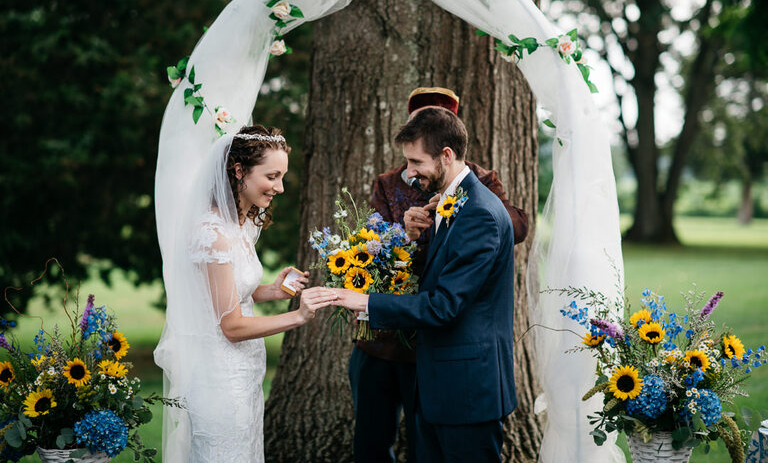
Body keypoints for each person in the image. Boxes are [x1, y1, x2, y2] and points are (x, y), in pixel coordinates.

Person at [348, 87, 528, 462]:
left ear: (446, 154)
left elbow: (445, 305)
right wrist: (407, 234)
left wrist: (365, 302)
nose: (410, 173)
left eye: (416, 162)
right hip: (439, 378)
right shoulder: (451, 197)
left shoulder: (478, 208)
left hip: (467, 386)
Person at [153, 125, 337, 463]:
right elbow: (232, 326)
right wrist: (297, 316)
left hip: (243, 372)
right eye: (272, 176)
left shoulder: (240, 225)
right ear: (239, 171)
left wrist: (274, 290)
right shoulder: (212, 235)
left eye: (282, 177)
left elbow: (228, 295)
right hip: (218, 377)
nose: (280, 187)